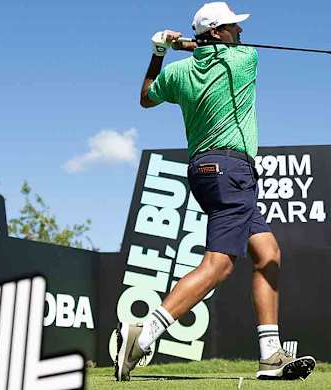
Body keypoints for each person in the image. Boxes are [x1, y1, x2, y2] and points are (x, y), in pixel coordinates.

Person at [115, 2, 316, 381]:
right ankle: (142, 336)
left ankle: (271, 354)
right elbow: (226, 51)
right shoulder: (243, 61)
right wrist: (190, 45)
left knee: (268, 252)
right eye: (232, 27)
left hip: (205, 171)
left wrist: (160, 52)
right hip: (232, 171)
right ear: (217, 33)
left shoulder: (177, 74)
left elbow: (145, 97)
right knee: (219, 264)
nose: (240, 32)